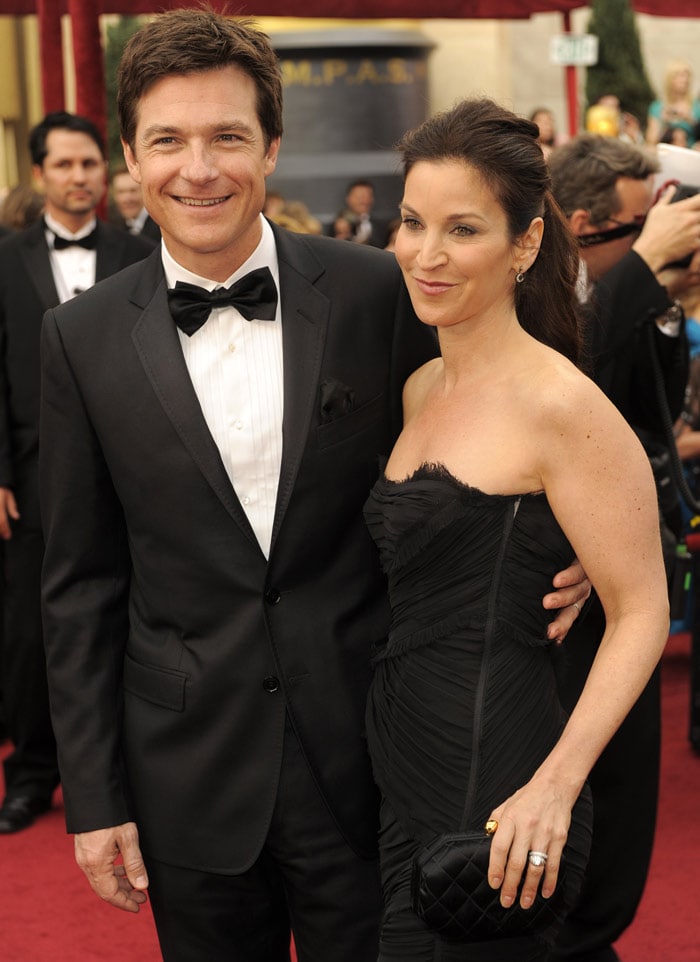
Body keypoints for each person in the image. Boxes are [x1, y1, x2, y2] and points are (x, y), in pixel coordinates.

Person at [38, 11, 589, 962]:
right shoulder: (77, 340)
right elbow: (80, 584)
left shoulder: (379, 291)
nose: (197, 168)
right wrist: (94, 797)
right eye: (167, 140)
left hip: (374, 756)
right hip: (187, 774)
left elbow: (506, 400)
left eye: (228, 137)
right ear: (131, 154)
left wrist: (567, 535)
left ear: (274, 147)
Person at [363, 97, 669, 962]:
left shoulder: (562, 403)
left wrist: (555, 784)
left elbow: (643, 608)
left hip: (500, 765)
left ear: (525, 244)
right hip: (401, 752)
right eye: (412, 223)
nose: (426, 254)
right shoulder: (421, 388)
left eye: (463, 229)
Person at [549, 133, 700, 962]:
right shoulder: (547, 302)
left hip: (635, 579)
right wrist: (644, 272)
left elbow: (651, 412)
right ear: (582, 226)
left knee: (629, 799)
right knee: (590, 800)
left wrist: (666, 295)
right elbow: (570, 388)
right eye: (640, 228)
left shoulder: (632, 294)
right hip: (567, 596)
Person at [0, 112, 153, 836]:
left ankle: (130, 771)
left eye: (89, 163)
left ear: (106, 167)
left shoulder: (143, 252)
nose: (78, 177)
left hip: (131, 466)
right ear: (39, 175)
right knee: (32, 631)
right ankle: (31, 774)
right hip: (30, 475)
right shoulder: (3, 258)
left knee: (130, 615)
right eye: (63, 165)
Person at [646, 59, 700, 148]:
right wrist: (663, 121)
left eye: (687, 76)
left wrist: (690, 120)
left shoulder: (697, 106)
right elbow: (650, 141)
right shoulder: (657, 107)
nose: (685, 80)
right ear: (670, 79)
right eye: (680, 76)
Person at [109, 165, 160, 245]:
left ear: (144, 191)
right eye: (121, 192)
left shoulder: (161, 225)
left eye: (133, 191)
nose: (127, 199)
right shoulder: (112, 225)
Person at [337, 178, 390, 248]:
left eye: (367, 196)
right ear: (348, 199)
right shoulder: (337, 224)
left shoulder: (383, 227)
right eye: (359, 197)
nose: (363, 200)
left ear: (372, 199)